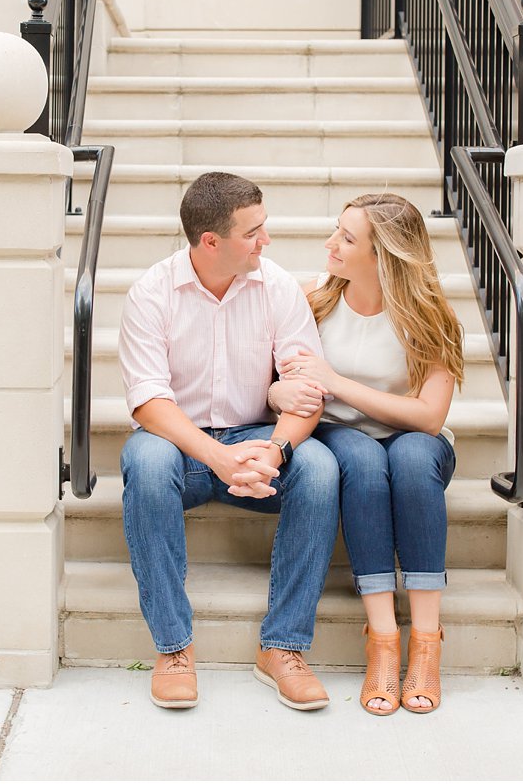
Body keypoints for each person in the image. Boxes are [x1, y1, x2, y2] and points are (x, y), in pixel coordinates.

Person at [118, 171, 340, 712]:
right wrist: (215, 456)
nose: (267, 241)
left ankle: (283, 647)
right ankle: (174, 649)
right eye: (254, 232)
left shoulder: (278, 286)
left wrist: (276, 449)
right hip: (183, 450)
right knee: (145, 461)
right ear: (210, 242)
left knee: (320, 467)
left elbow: (308, 388)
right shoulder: (152, 292)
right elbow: (149, 402)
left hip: (256, 442)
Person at [269, 192, 463, 716]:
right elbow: (272, 382)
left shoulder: (430, 317)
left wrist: (338, 383)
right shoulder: (315, 301)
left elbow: (429, 416)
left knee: (412, 459)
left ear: (383, 256)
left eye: (347, 238)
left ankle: (426, 643)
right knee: (360, 459)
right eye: (337, 230)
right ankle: (382, 641)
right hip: (342, 437)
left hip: (414, 443)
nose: (331, 243)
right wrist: (278, 393)